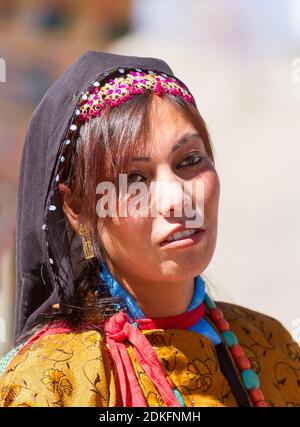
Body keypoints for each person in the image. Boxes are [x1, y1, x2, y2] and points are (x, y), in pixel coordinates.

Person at [0, 51, 299, 407]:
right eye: (135, 180)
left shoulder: (271, 348)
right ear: (78, 208)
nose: (178, 199)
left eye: (189, 161)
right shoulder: (51, 383)